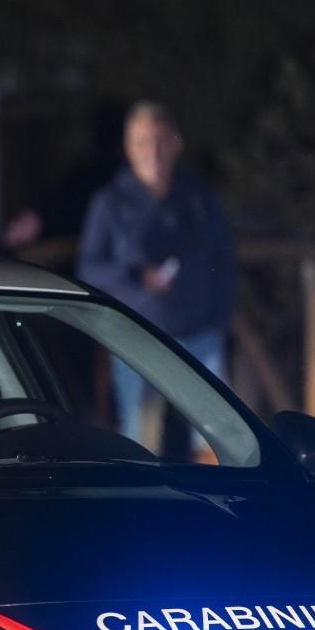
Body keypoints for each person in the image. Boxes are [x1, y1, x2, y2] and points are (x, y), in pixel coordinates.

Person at [77, 100, 235, 451]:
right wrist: (135, 276)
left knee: (209, 441)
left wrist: (219, 318)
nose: (153, 151)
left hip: (199, 338)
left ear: (176, 142)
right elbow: (89, 267)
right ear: (129, 147)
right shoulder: (110, 202)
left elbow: (223, 259)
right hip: (138, 339)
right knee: (141, 439)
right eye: (142, 141)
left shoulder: (198, 196)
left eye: (160, 140)